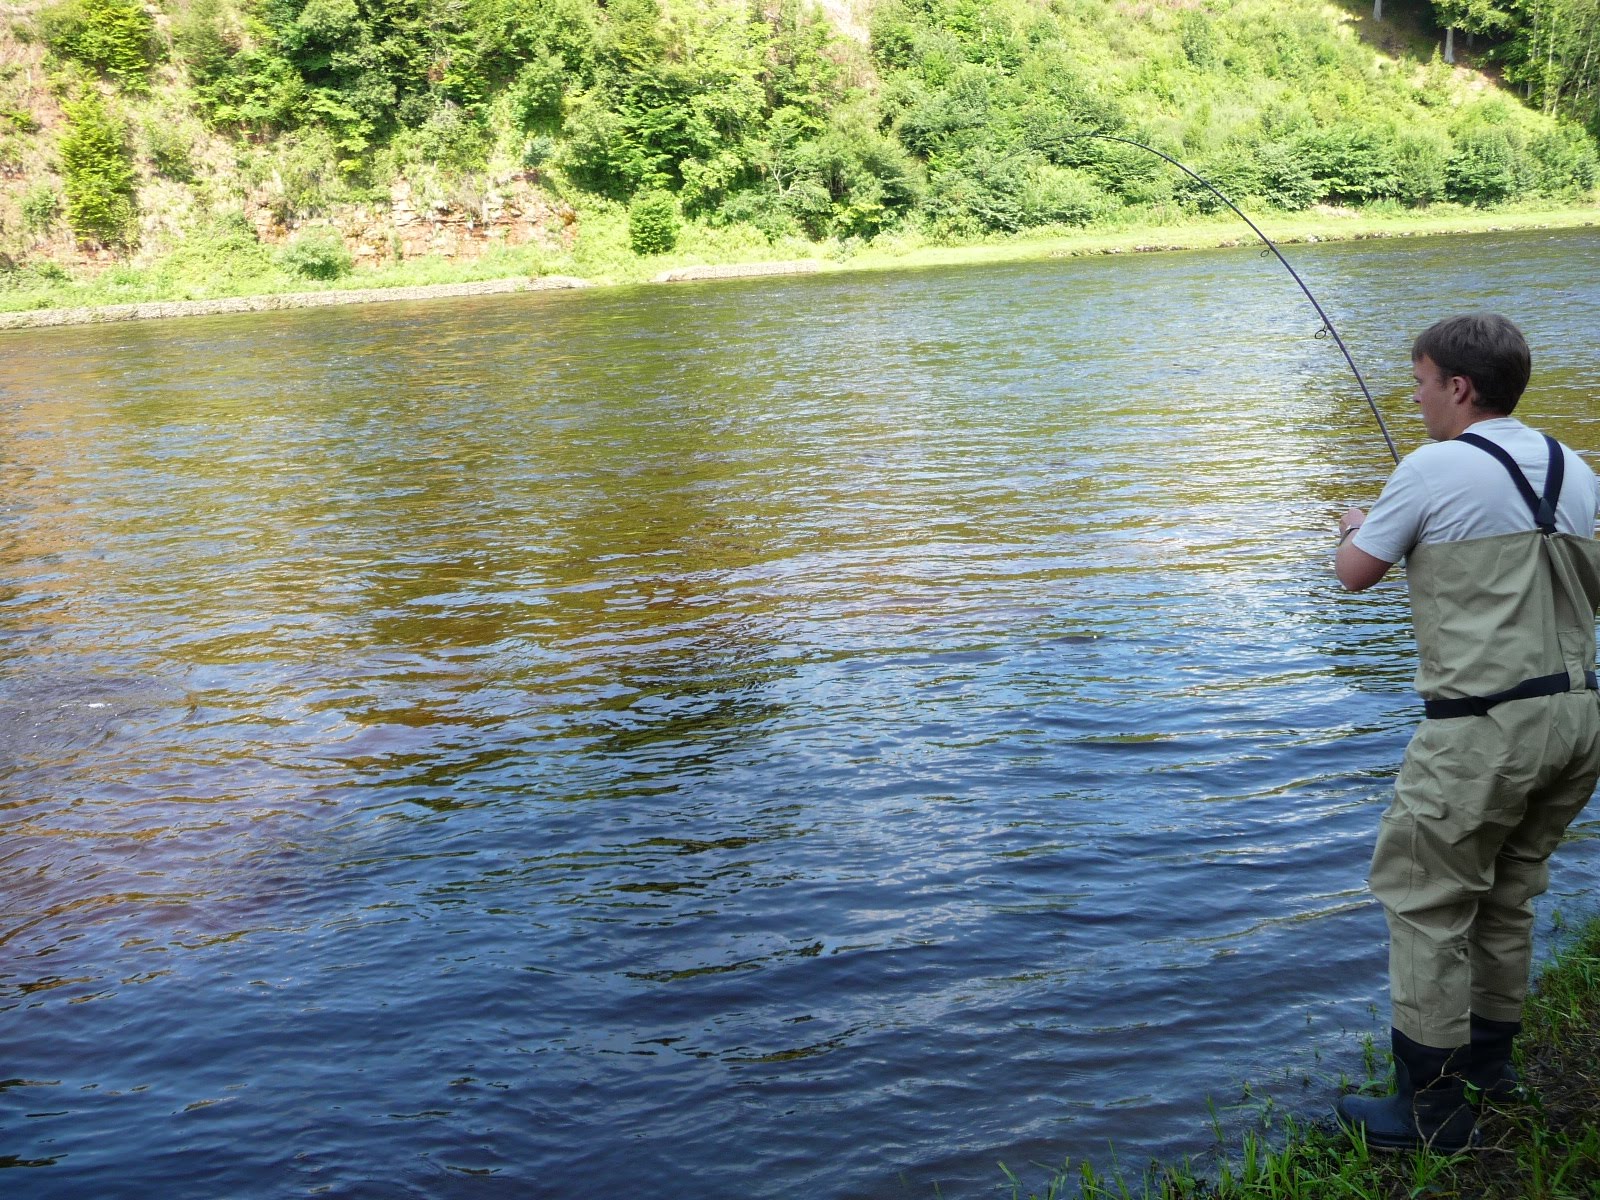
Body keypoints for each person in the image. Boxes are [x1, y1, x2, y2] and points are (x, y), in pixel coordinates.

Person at [1331, 312, 1600, 1152]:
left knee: (1424, 899)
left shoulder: (1430, 467)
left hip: (1482, 730)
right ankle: (1493, 1071)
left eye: (1418, 382)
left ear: (1459, 386)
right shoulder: (1575, 467)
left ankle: (1431, 1110)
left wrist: (1351, 523)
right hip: (1579, 719)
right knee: (1510, 894)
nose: (1412, 399)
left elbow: (1353, 577)